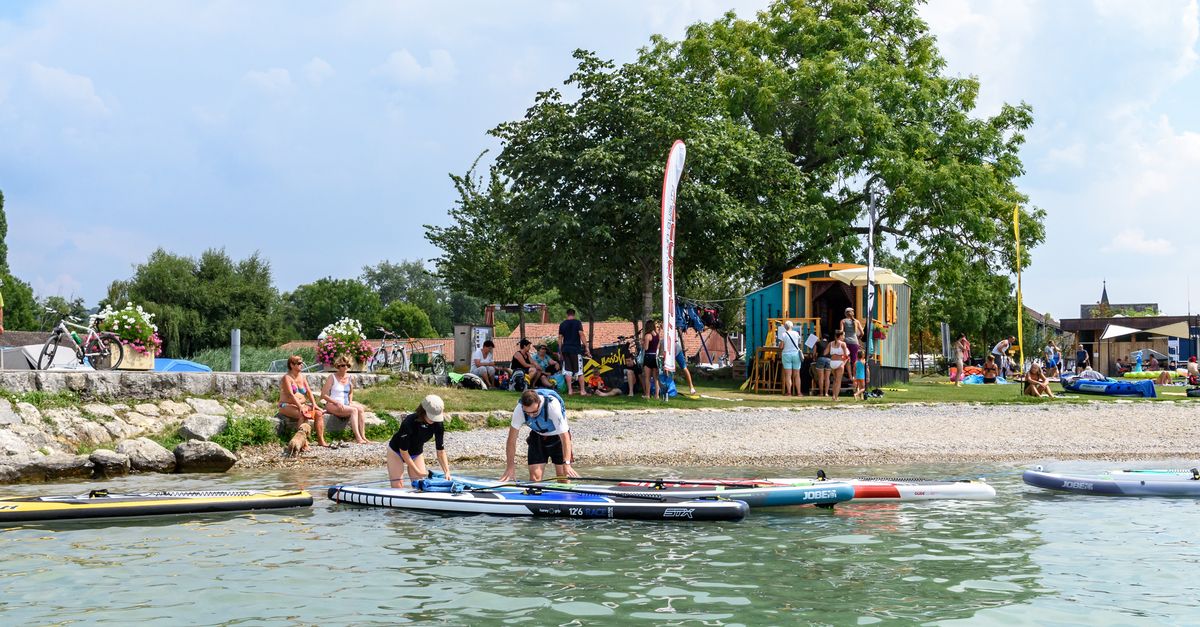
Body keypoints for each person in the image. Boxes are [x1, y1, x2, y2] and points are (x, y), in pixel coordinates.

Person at [500, 389, 580, 482]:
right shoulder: (519, 410)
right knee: (535, 478)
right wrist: (510, 467)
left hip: (558, 437)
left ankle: (566, 493)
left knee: (562, 477)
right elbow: (511, 441)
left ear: (539, 403)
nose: (531, 415)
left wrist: (567, 463)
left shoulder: (552, 406)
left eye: (534, 412)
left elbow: (565, 438)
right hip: (537, 435)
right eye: (527, 413)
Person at [386, 394, 450, 487]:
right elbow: (403, 452)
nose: (433, 420)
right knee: (398, 485)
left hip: (416, 453)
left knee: (420, 485)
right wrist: (417, 471)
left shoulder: (438, 424)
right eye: (431, 416)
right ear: (423, 411)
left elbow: (440, 451)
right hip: (397, 452)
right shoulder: (409, 422)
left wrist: (447, 472)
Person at [278, 355, 328, 447]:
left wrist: (314, 404)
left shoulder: (302, 376)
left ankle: (321, 440)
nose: (302, 365)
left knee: (319, 414)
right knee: (303, 414)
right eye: (299, 363)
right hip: (286, 405)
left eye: (302, 363)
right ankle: (303, 443)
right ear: (292, 365)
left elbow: (308, 392)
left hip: (300, 404)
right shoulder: (287, 378)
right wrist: (300, 406)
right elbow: (290, 395)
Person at [321, 356, 369, 444]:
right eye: (343, 365)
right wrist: (336, 402)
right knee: (354, 410)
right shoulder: (332, 377)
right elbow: (323, 395)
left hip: (345, 403)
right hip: (332, 404)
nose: (345, 367)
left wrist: (350, 401)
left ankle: (363, 436)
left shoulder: (350, 378)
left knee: (361, 409)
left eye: (347, 365)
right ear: (338, 366)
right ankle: (358, 438)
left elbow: (350, 392)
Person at [557, 309, 588, 396]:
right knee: (580, 371)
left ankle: (570, 390)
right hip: (575, 349)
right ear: (574, 314)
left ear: (567, 314)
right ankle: (582, 391)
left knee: (568, 370)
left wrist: (560, 351)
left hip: (566, 349)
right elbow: (581, 334)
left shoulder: (562, 324)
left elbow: (560, 338)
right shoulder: (577, 323)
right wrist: (586, 346)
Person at [777, 320, 802, 397]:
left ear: (785, 327)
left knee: (788, 375)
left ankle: (789, 392)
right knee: (797, 375)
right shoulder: (796, 333)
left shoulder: (783, 334)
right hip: (796, 354)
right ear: (792, 326)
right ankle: (799, 393)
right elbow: (799, 343)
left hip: (786, 355)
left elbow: (781, 346)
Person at [641, 319, 660, 400]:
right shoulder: (657, 335)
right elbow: (658, 346)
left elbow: (646, 348)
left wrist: (642, 343)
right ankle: (657, 395)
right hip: (655, 357)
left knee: (647, 378)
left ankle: (647, 395)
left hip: (648, 357)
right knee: (656, 378)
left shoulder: (647, 335)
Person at [827, 329, 849, 402]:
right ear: (840, 336)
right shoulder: (843, 344)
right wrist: (843, 364)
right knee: (838, 381)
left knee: (835, 380)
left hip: (832, 363)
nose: (844, 337)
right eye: (843, 335)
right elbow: (846, 355)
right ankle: (836, 398)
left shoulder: (831, 343)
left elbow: (825, 353)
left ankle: (833, 395)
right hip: (839, 362)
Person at [673, 329, 697, 395]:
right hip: (670, 348)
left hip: (676, 349)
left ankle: (691, 387)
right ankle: (670, 386)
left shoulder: (673, 327)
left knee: (684, 367)